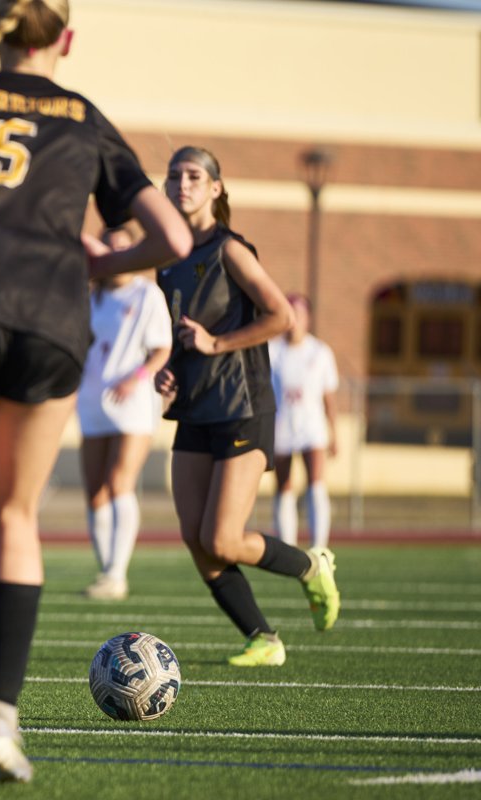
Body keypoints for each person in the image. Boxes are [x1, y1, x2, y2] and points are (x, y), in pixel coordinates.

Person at [0, 1, 192, 794]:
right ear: (66, 38)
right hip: (51, 320)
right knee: (14, 519)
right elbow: (173, 240)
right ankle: (4, 730)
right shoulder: (84, 116)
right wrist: (85, 267)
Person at [155, 145, 341, 671]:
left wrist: (215, 345)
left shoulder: (231, 250)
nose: (182, 183)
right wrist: (168, 365)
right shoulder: (168, 260)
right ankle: (263, 638)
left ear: (216, 188)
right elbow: (181, 332)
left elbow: (281, 315)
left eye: (194, 176)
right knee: (197, 541)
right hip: (194, 408)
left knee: (223, 537)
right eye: (175, 176)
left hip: (242, 407)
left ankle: (311, 565)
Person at [77, 224, 172, 601]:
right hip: (91, 401)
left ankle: (118, 575)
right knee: (95, 492)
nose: (116, 257)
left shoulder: (147, 294)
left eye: (123, 249)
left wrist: (136, 379)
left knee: (119, 483)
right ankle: (105, 573)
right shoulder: (91, 296)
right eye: (109, 249)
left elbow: (161, 349)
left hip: (131, 403)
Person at [269, 294, 339, 548]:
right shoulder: (272, 351)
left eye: (300, 314)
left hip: (312, 429)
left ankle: (319, 547)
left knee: (316, 485)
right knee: (284, 487)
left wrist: (334, 434)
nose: (295, 319)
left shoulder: (320, 352)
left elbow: (329, 398)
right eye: (291, 313)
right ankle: (286, 546)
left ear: (308, 318)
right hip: (281, 428)